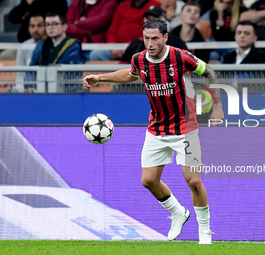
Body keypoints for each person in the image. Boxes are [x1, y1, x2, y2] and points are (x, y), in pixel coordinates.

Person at [83, 18, 224, 244]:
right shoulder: (139, 59)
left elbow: (210, 73)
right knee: (148, 180)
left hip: (185, 127)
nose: (150, 43)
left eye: (155, 38)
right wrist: (100, 77)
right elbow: (130, 74)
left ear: (165, 38)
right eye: (146, 38)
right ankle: (179, 213)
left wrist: (217, 105)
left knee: (193, 181)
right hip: (156, 128)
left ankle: (205, 231)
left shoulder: (181, 56)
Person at [89, 0, 161, 61]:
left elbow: (153, 30)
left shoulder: (154, 5)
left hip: (139, 47)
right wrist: (114, 48)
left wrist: (129, 48)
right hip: (118, 48)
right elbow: (112, 31)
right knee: (95, 55)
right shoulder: (123, 6)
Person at [122, 5, 188, 62]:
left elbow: (187, 62)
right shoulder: (137, 41)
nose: (150, 21)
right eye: (148, 18)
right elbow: (124, 63)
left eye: (155, 18)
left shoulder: (175, 41)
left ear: (163, 19)